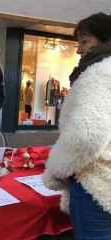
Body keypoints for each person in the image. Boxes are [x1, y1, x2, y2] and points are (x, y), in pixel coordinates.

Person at [42, 12, 111, 239]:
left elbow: (87, 136)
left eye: (85, 41)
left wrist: (56, 170)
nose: (79, 49)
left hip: (95, 184)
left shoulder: (97, 75)